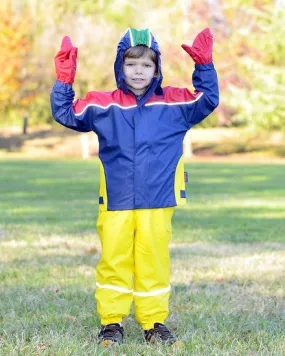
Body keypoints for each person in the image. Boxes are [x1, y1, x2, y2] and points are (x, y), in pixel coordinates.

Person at [51, 27, 219, 347]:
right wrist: (63, 80)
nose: (138, 71)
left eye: (146, 65)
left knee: (152, 259)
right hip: (116, 198)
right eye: (131, 64)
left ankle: (154, 322)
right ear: (120, 67)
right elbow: (65, 113)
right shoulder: (103, 105)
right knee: (114, 259)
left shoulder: (175, 103)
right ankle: (112, 323)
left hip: (159, 198)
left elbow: (208, 99)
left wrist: (205, 67)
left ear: (157, 69)